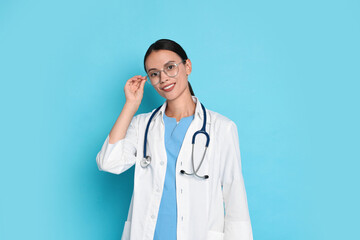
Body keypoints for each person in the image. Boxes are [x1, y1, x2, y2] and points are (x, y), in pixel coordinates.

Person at [96, 39, 253, 240]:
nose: (163, 78)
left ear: (187, 66)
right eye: (154, 73)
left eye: (170, 67)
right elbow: (109, 162)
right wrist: (131, 105)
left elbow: (235, 200)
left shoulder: (222, 128)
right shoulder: (143, 124)